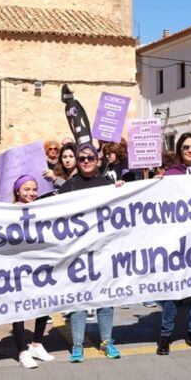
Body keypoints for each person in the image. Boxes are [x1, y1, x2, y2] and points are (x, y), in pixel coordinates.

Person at [59, 143, 120, 362]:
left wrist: (122, 189)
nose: (86, 161)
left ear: (97, 159)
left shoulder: (107, 184)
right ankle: (77, 344)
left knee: (105, 297)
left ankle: (107, 341)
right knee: (79, 298)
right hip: (78, 252)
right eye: (82, 158)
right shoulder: (69, 186)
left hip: (103, 250)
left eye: (90, 158)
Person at [156, 132, 191, 355]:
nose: (189, 151)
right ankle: (165, 334)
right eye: (186, 147)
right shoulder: (170, 174)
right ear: (179, 150)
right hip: (175, 241)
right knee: (173, 289)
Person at [9, 175, 55, 369]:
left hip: (38, 264)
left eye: (34, 189)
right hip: (17, 265)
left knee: (43, 302)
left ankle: (37, 343)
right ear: (17, 191)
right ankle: (22, 351)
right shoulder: (7, 211)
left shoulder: (41, 208)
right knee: (18, 308)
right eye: (26, 189)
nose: (31, 193)